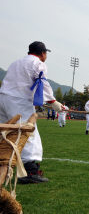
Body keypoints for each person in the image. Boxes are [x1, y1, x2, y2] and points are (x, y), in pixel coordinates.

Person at [0, 41, 64, 184]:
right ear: (42, 53)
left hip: (3, 98)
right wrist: (53, 102)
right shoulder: (38, 63)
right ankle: (30, 171)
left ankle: (2, 163)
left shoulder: (15, 63)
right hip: (19, 101)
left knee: (4, 132)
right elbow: (41, 83)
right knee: (29, 133)